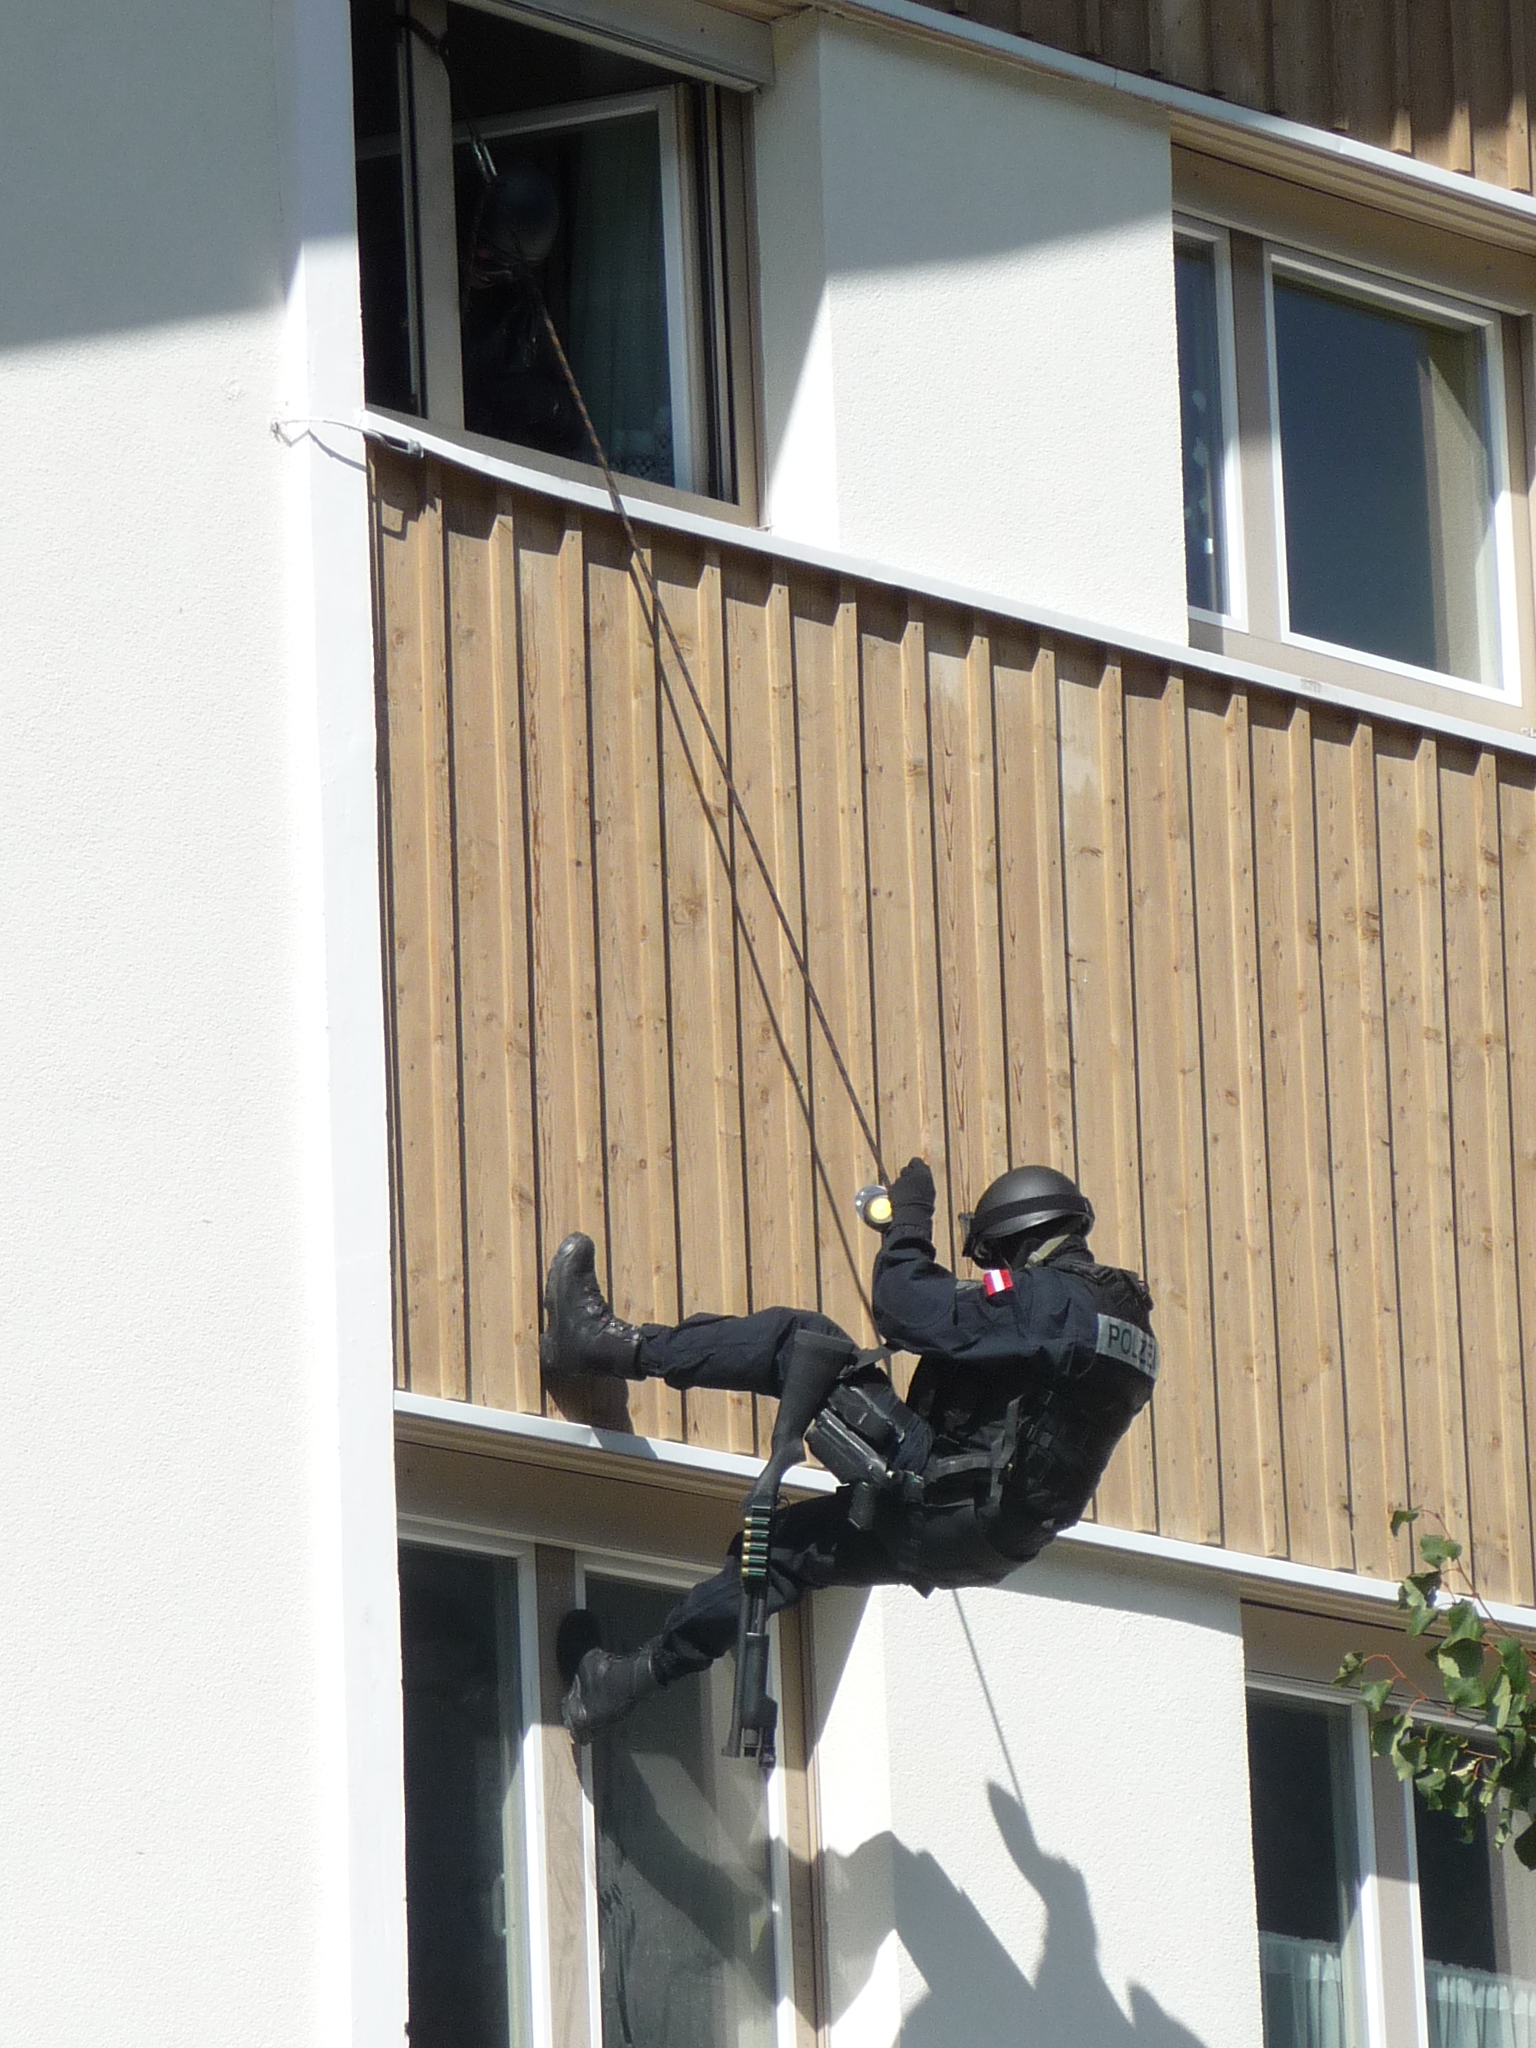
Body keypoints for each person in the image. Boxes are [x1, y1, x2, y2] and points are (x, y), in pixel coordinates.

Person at [541, 1159, 1158, 1742]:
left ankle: (599, 1344)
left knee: (803, 1344)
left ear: (1019, 1236)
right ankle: (619, 1686)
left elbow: (908, 1309)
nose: (996, 1270)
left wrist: (909, 1223)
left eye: (995, 1256)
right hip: (988, 1538)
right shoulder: (1119, 1326)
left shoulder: (1053, 1301)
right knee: (780, 1552)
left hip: (942, 1492)